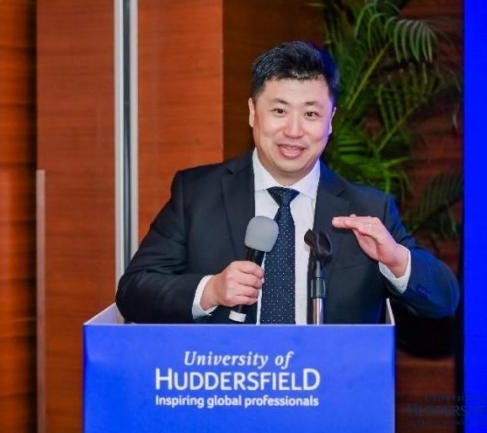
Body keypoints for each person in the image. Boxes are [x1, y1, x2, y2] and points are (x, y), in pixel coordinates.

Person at [116, 40, 459, 324]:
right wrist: (211, 290)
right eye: (279, 111)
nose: (294, 131)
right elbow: (133, 292)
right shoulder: (197, 194)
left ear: (330, 121)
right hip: (225, 381)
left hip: (328, 384)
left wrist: (396, 259)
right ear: (253, 112)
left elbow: (444, 299)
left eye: (310, 114)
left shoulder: (368, 209)